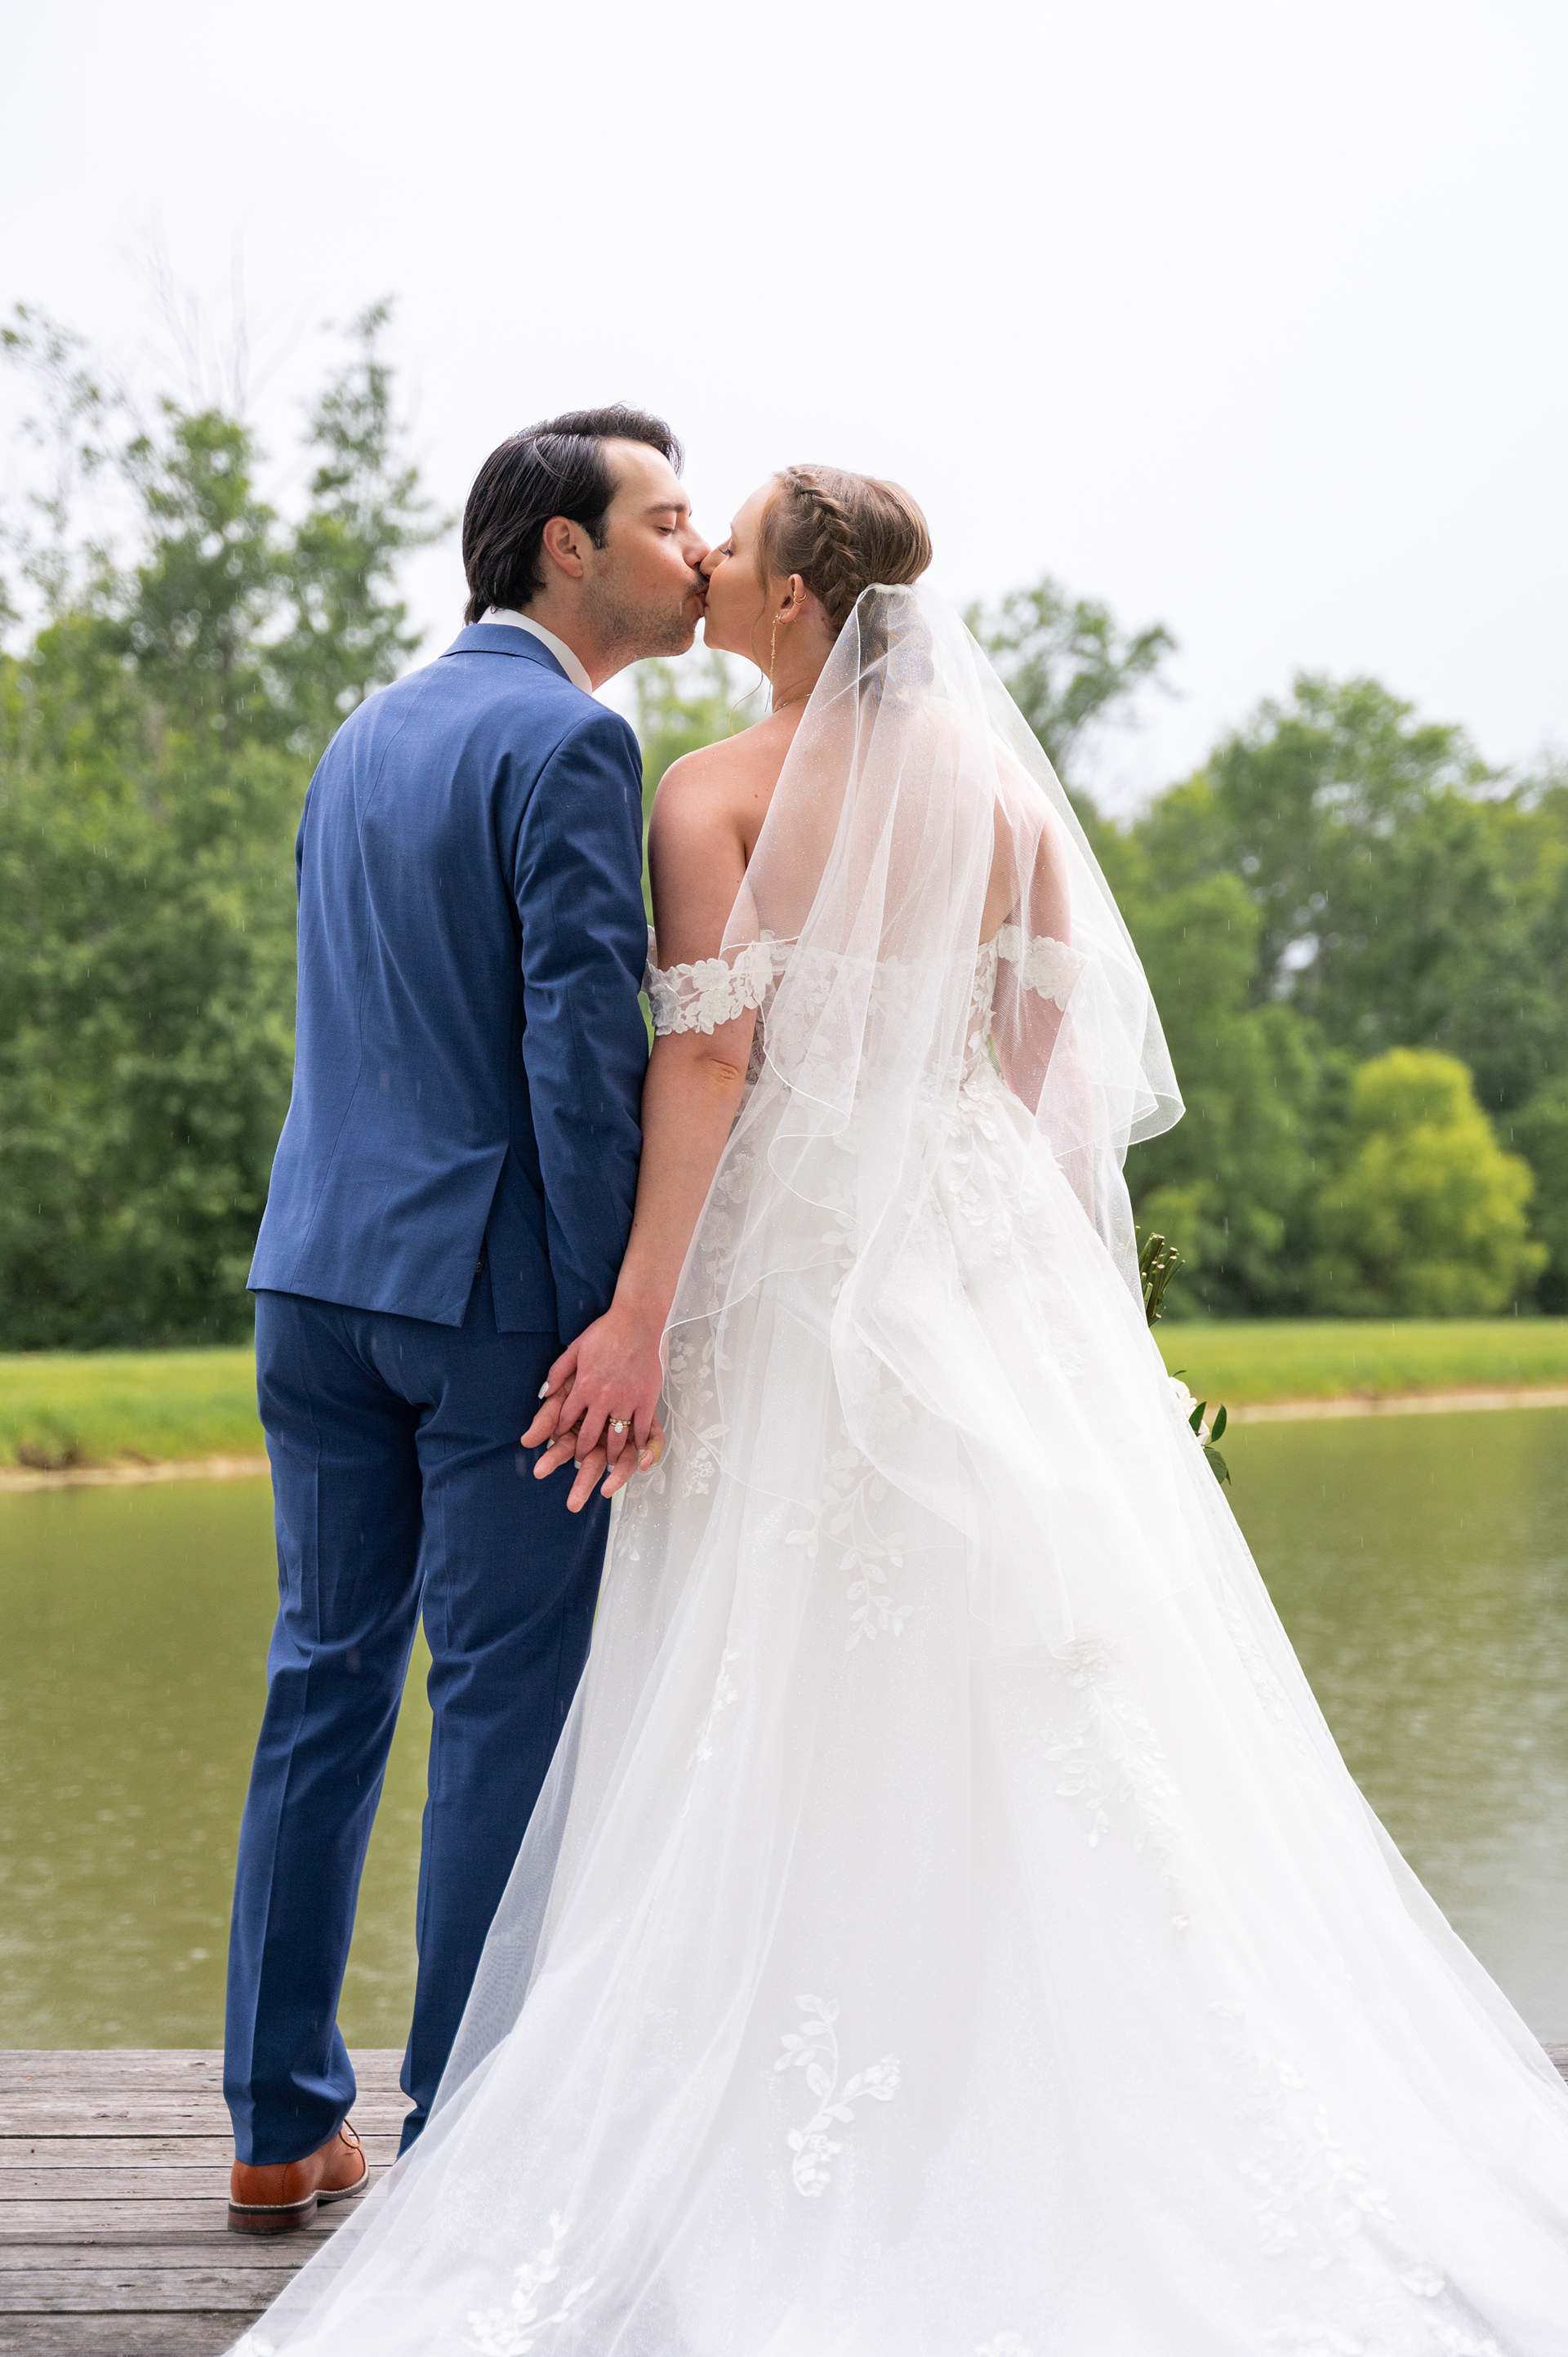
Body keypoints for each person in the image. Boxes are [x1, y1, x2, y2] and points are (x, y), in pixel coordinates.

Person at [234, 470, 1568, 2350]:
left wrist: (641, 1307)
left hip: (699, 1268)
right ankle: (1015, 2076)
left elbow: (708, 1060)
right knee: (1018, 1685)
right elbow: (1034, 1067)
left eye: (731, 541)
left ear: (792, 602)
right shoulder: (1005, 799)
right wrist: (993, 1257)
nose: (708, 561)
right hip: (971, 1261)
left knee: (684, 1682)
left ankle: (380, 2117)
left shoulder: (702, 788)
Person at [224, 408, 706, 2233]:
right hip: (491, 1299)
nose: (696, 551)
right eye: (666, 518)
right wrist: (612, 1318)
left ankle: (278, 2124)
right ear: (565, 547)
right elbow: (581, 1049)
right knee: (502, 1707)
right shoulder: (576, 739)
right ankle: (465, 2146)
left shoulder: (363, 729)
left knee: (323, 1683)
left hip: (312, 1277)